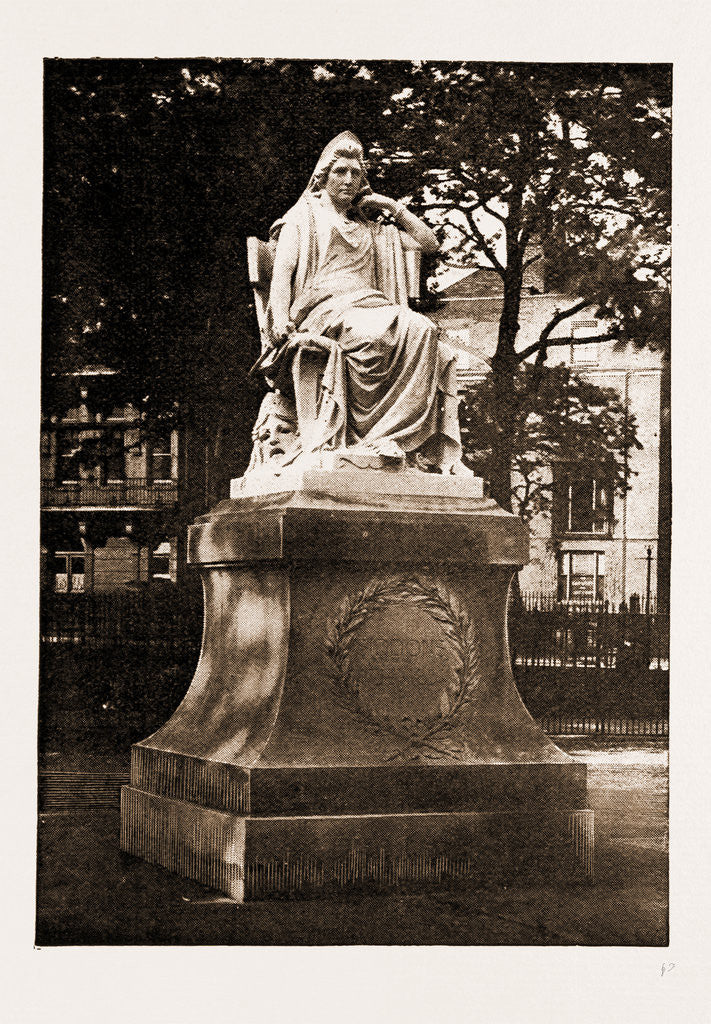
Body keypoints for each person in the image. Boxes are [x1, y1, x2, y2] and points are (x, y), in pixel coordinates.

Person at [259, 131, 466, 473]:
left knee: (425, 330)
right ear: (322, 178)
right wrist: (280, 319)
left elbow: (428, 243)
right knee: (375, 335)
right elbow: (283, 273)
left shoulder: (373, 228)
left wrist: (389, 206)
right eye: (340, 172)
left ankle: (394, 440)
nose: (349, 180)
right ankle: (370, 440)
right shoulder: (303, 218)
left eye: (356, 174)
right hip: (322, 309)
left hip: (371, 305)